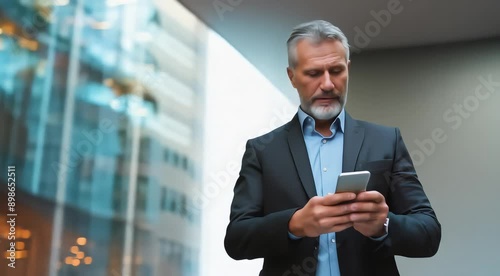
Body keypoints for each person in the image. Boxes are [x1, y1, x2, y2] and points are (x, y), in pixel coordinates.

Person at [224, 20, 441, 276]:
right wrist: (294, 224)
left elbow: (429, 234)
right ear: (292, 77)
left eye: (336, 71)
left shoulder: (386, 141)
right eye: (314, 73)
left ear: (347, 69)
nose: (328, 84)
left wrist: (383, 224)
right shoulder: (262, 151)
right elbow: (237, 239)